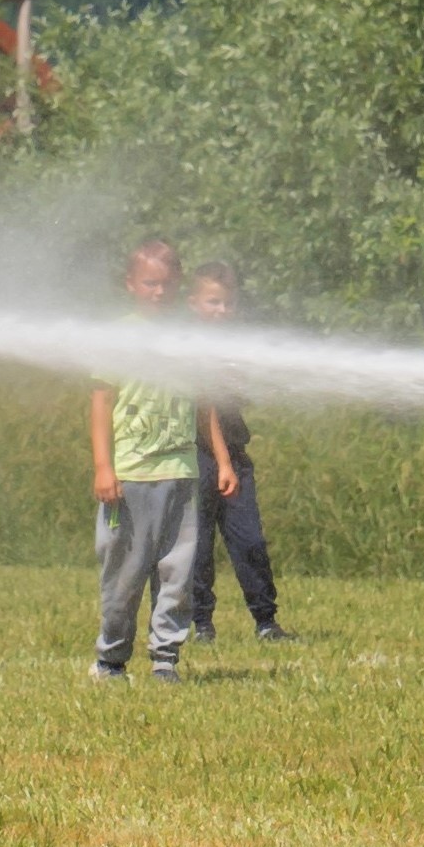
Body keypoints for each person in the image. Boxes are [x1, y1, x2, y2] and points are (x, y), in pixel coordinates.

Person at [91, 239, 205, 681]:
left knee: (177, 574)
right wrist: (104, 467)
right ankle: (111, 659)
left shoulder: (189, 337)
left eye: (167, 283)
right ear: (131, 284)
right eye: (149, 283)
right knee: (124, 573)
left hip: (181, 472)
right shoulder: (117, 336)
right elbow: (101, 401)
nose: (159, 291)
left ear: (179, 284)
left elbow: (205, 401)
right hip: (131, 475)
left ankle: (165, 659)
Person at [182, 263, 293, 644]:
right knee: (198, 546)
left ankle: (266, 621)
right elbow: (204, 409)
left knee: (250, 541)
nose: (222, 311)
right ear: (193, 302)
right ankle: (201, 624)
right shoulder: (186, 347)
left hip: (234, 456)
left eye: (228, 303)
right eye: (213, 302)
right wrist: (224, 463)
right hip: (200, 458)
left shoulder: (233, 347)